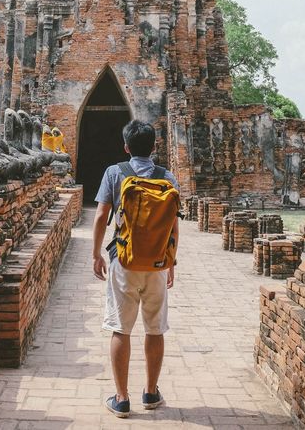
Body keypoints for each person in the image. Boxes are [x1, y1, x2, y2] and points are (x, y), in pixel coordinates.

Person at [92, 120, 179, 418]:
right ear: (155, 146)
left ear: (126, 147)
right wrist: (171, 261)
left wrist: (95, 255)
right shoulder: (167, 177)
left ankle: (122, 398)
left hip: (124, 261)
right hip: (156, 262)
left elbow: (101, 215)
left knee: (121, 328)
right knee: (155, 328)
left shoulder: (114, 173)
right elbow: (173, 223)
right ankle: (151, 393)